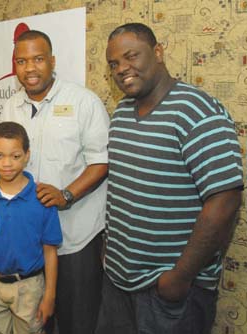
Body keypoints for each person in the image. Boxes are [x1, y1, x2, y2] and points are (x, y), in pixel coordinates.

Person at [96, 22, 244, 334]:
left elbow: (225, 200)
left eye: (131, 56)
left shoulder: (197, 111)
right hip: (118, 283)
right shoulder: (122, 112)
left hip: (169, 292)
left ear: (158, 52)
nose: (122, 68)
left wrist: (180, 276)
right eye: (114, 63)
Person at [0, 30, 110, 334]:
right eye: (22, 61)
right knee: (34, 321)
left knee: (76, 322)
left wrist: (67, 195)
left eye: (38, 59)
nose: (30, 68)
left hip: (75, 238)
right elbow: (6, 162)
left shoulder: (84, 102)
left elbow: (101, 162)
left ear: (52, 61)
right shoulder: (10, 108)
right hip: (29, 240)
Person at [0, 121, 63, 334]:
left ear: (27, 155)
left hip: (29, 287)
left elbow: (50, 251)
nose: (7, 164)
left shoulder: (42, 199)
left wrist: (50, 296)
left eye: (15, 156)